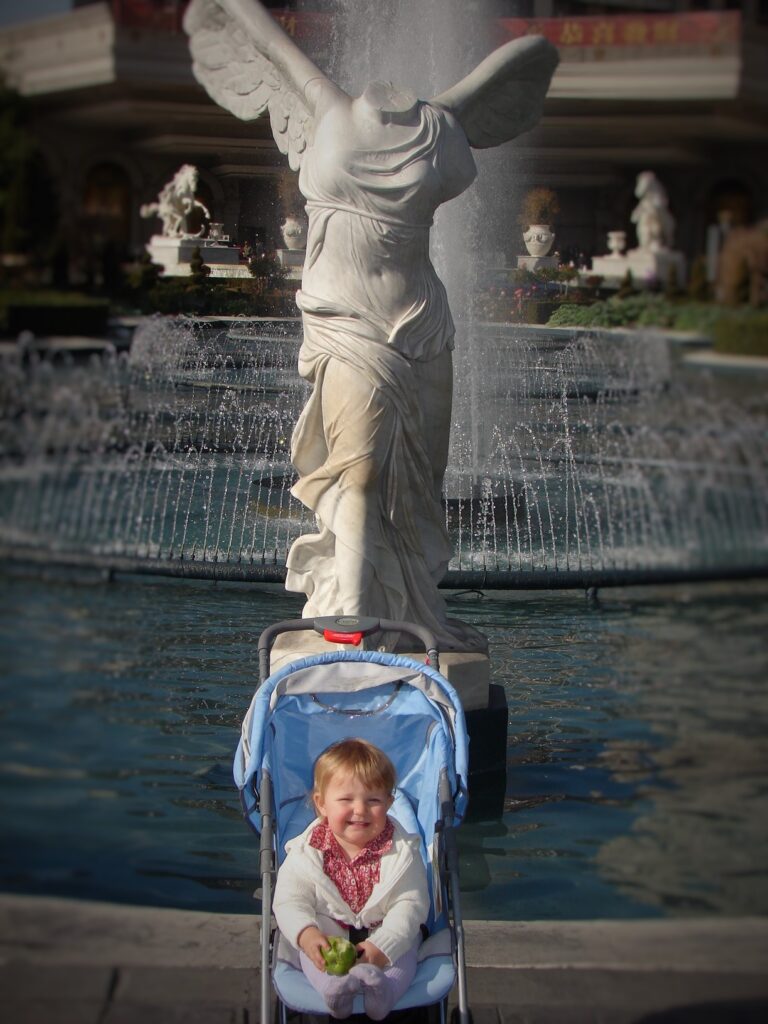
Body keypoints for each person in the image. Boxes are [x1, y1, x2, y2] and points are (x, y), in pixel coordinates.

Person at [185, 0, 557, 645]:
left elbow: (523, 72)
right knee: (357, 472)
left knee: (419, 482)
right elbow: (247, 22)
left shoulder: (439, 127)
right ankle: (350, 623)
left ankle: (412, 614)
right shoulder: (329, 110)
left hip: (423, 327)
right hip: (347, 323)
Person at [273, 738, 429, 1019]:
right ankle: (334, 989)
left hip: (386, 936)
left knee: (407, 951)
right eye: (345, 799)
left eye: (373, 800)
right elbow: (289, 900)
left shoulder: (403, 852)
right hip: (328, 937)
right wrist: (307, 935)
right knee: (311, 958)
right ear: (321, 804)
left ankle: (385, 992)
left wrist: (383, 946)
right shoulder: (306, 852)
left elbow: (411, 904)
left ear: (389, 803)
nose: (360, 810)